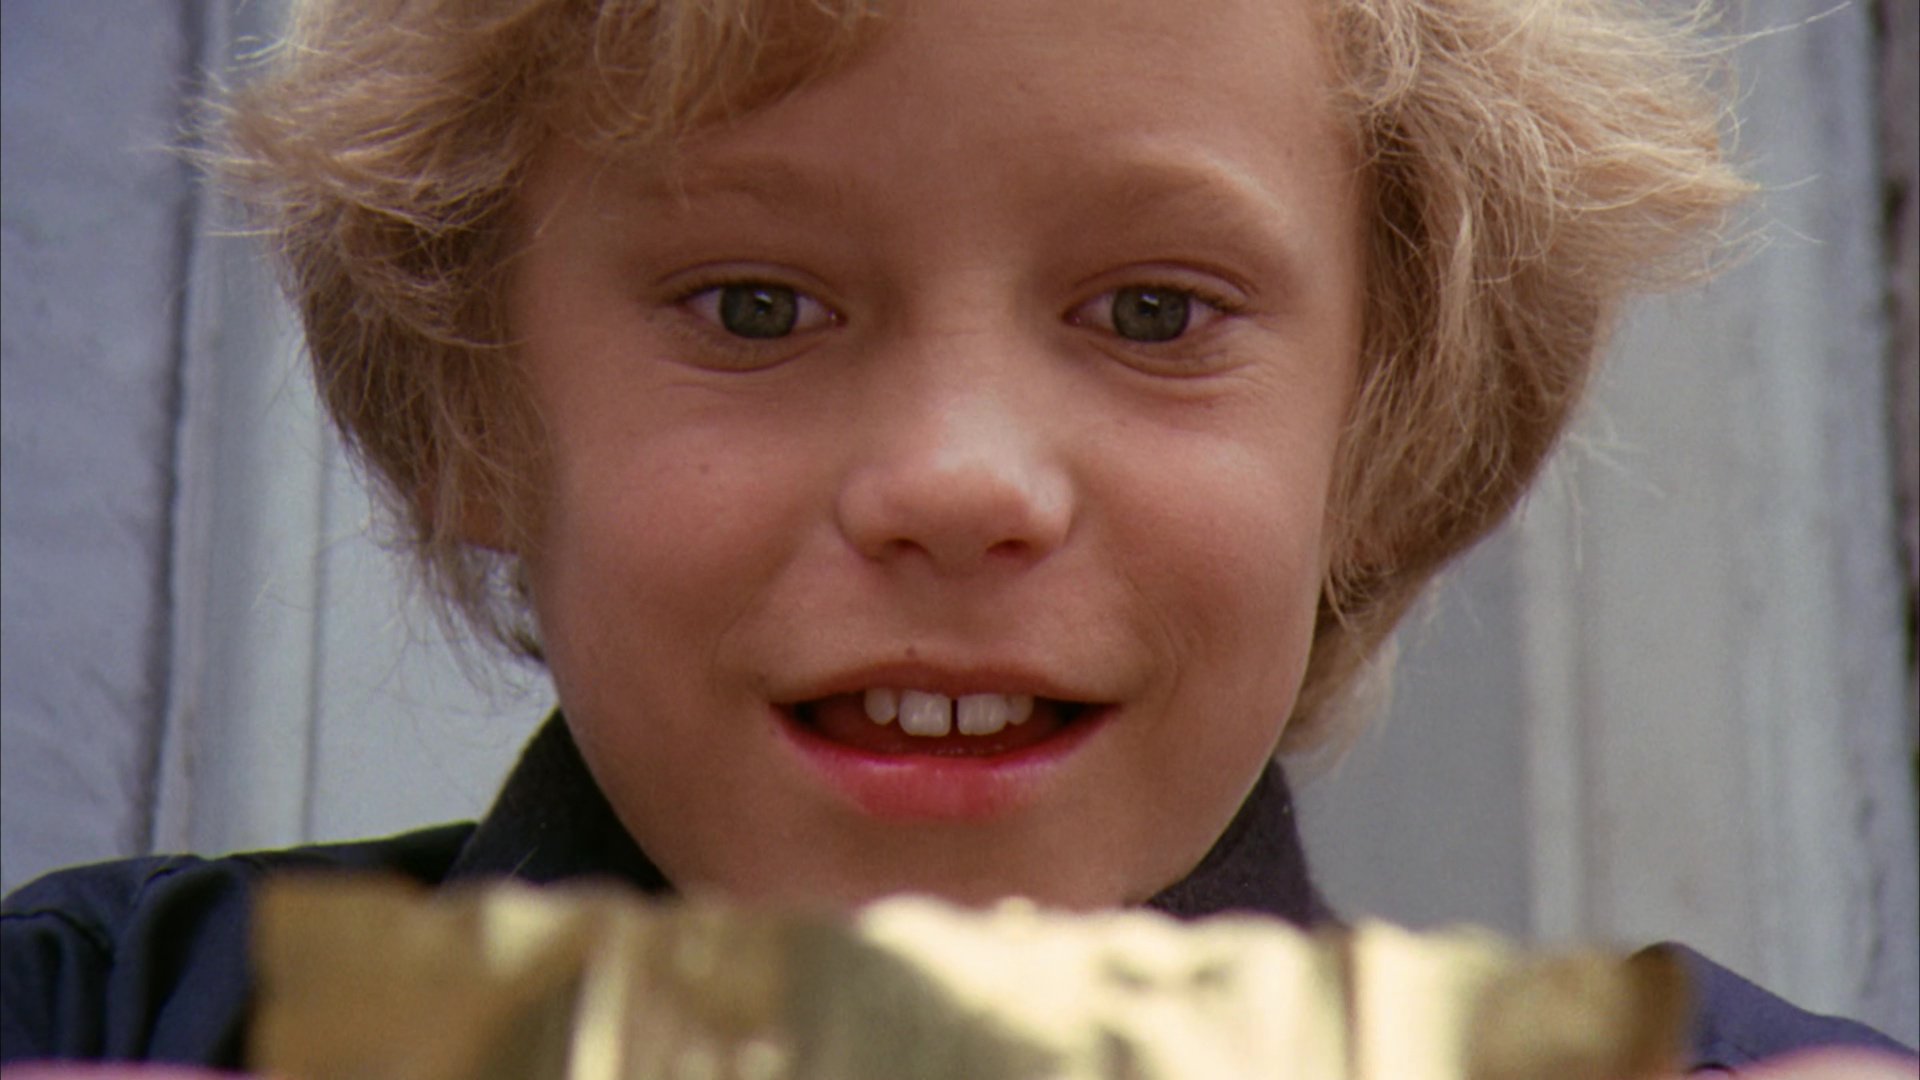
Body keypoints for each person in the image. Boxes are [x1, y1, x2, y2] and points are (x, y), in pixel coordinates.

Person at [1, 0, 1913, 1075]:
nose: (958, 482)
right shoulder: (102, 1015)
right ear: (473, 399)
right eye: (757, 306)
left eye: (1153, 313)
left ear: (1384, 427)